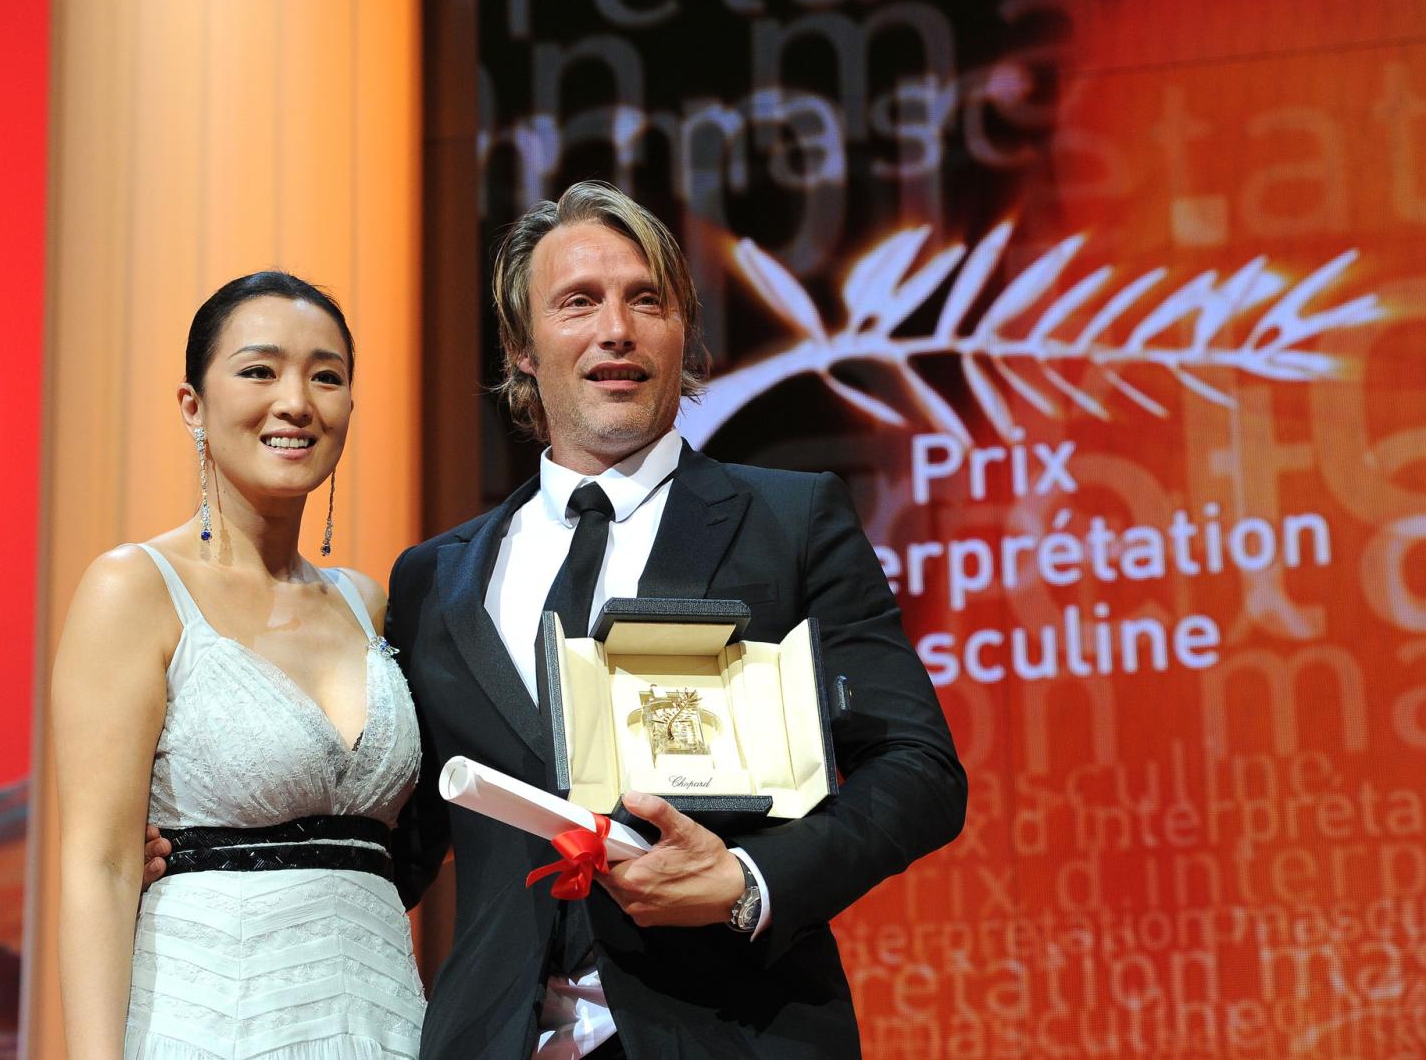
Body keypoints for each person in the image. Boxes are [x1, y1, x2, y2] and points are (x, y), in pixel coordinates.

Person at [383, 181, 967, 1058]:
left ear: (683, 332)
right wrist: (206, 856)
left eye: (646, 300)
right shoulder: (436, 578)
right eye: (578, 302)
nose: (616, 328)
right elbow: (403, 839)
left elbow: (918, 769)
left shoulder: (789, 522)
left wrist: (748, 879)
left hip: (733, 1032)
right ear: (521, 347)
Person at [54, 272, 425, 1058]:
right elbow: (102, 864)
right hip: (208, 1019)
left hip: (385, 1018)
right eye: (259, 370)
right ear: (192, 405)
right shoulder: (134, 589)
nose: (296, 402)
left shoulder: (368, 603)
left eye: (326, 377)